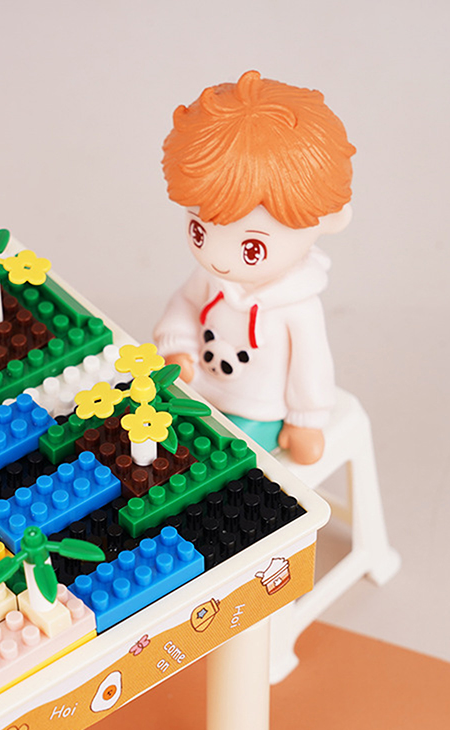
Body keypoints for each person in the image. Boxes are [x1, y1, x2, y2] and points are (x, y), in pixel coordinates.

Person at [153, 71, 356, 465]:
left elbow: (310, 366)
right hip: (198, 389)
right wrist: (178, 345)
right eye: (199, 231)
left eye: (251, 248)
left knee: (225, 461)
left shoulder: (297, 306)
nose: (217, 258)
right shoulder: (212, 276)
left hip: (255, 409)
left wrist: (305, 420)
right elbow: (185, 304)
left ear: (328, 220)